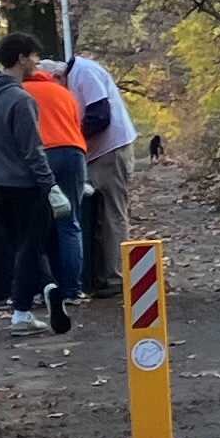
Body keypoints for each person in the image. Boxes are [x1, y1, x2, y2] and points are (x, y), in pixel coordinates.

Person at [0, 34, 68, 332]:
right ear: (22, 58)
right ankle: (21, 313)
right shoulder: (21, 100)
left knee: (25, 247)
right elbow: (33, 151)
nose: (37, 62)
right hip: (26, 187)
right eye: (34, 56)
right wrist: (51, 187)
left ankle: (48, 286)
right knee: (30, 247)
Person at [59, 40, 139, 298]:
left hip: (110, 150)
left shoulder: (85, 72)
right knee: (102, 214)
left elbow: (100, 116)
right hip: (99, 152)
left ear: (57, 75)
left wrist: (72, 138)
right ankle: (103, 274)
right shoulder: (76, 74)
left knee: (113, 213)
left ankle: (115, 276)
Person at [25, 52, 92, 323]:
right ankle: (72, 289)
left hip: (42, 156)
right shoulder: (64, 94)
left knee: (36, 225)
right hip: (73, 154)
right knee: (70, 223)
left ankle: (42, 286)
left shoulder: (21, 92)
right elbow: (77, 125)